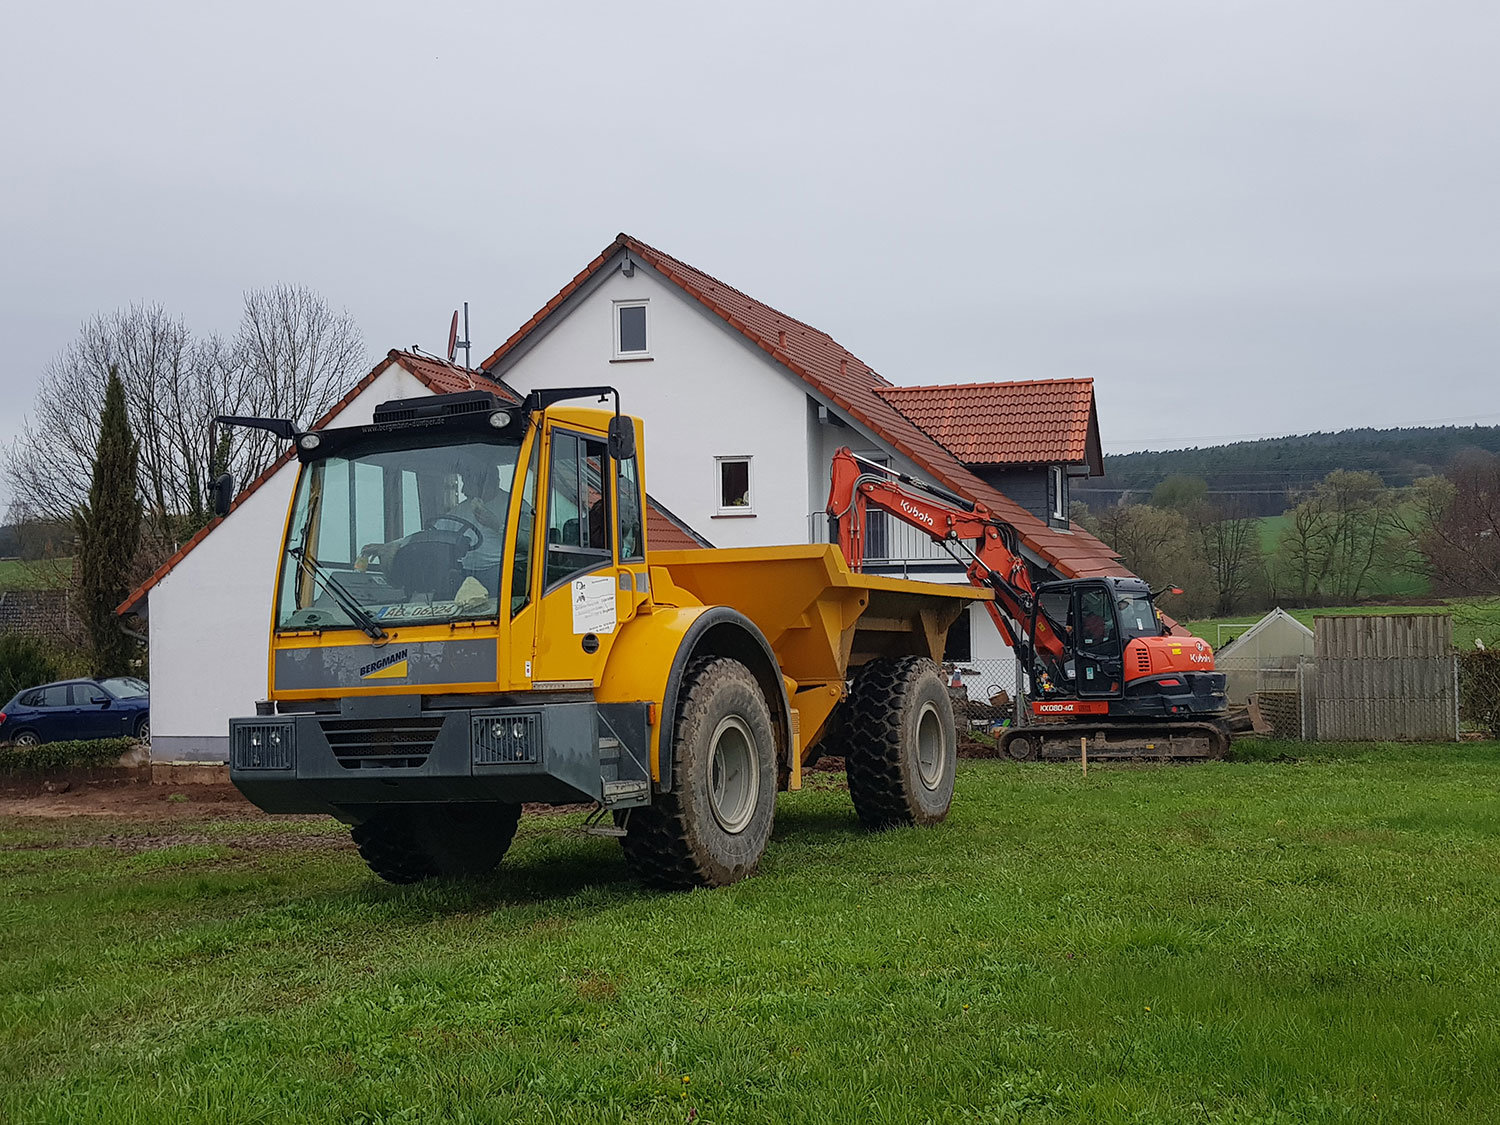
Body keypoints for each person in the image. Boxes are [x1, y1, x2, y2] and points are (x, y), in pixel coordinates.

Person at [361, 454, 507, 596]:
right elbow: (430, 536)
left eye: (468, 481)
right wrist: (389, 546)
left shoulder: (513, 505)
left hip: (499, 569)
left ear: (490, 480)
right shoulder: (460, 511)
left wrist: (497, 525)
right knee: (439, 584)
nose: (463, 490)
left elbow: (528, 541)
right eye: (463, 481)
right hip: (464, 571)